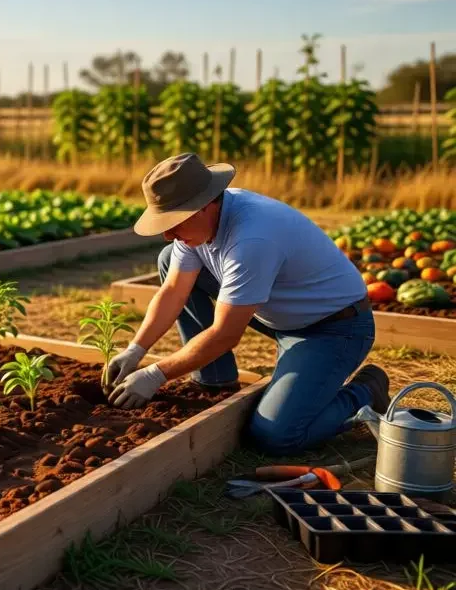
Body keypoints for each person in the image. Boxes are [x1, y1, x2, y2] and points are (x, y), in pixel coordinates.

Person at [105, 153, 387, 454]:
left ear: (203, 206)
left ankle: (365, 391)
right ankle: (215, 378)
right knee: (168, 262)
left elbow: (226, 334)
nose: (167, 234)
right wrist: (136, 349)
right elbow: (174, 291)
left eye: (173, 223)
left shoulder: (252, 239)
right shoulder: (198, 227)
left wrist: (156, 374)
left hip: (333, 327)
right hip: (280, 312)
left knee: (276, 436)